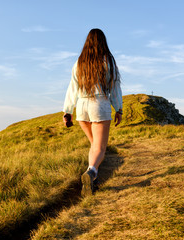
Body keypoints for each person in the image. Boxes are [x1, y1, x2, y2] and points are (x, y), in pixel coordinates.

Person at [63, 28, 123, 197]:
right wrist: (118, 108)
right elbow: (115, 87)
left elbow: (72, 88)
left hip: (82, 106)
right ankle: (91, 172)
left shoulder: (79, 62)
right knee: (100, 146)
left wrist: (68, 111)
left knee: (94, 145)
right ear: (103, 42)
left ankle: (93, 180)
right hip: (99, 104)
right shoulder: (108, 61)